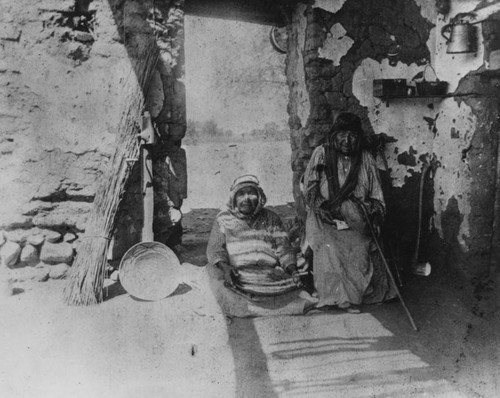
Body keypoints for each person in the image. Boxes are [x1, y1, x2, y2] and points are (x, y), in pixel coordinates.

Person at [302, 112, 395, 313]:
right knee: (330, 246)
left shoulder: (366, 158)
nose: (347, 140)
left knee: (359, 247)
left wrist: (374, 216)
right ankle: (335, 298)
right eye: (342, 134)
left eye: (352, 135)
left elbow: (377, 196)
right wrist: (321, 207)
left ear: (359, 137)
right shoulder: (321, 153)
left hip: (356, 219)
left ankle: (352, 298)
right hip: (324, 217)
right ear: (334, 135)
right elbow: (309, 189)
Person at [206, 175, 314, 317]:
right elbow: (215, 249)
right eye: (241, 194)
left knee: (299, 287)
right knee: (213, 277)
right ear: (233, 198)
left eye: (251, 193)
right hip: (237, 274)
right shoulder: (223, 218)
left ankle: (252, 307)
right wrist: (226, 268)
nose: (247, 198)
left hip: (268, 274)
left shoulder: (271, 217)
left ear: (259, 196)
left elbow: (284, 247)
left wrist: (292, 270)